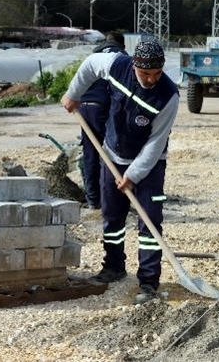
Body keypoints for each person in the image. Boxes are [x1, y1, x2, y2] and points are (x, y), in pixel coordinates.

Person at [61, 41, 179, 305]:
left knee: (149, 220)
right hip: (112, 154)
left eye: (157, 73)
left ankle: (148, 281)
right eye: (146, 74)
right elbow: (90, 65)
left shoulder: (168, 96)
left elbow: (156, 142)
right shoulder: (116, 64)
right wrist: (73, 93)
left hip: (149, 164)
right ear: (135, 65)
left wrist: (134, 174)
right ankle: (113, 267)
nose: (152, 79)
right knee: (112, 216)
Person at [79, 32, 128, 209]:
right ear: (122, 45)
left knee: (90, 153)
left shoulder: (94, 56)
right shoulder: (121, 59)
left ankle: (93, 200)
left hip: (84, 105)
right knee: (110, 152)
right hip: (104, 107)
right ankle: (110, 198)